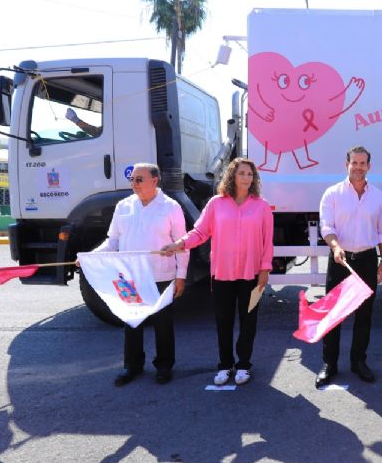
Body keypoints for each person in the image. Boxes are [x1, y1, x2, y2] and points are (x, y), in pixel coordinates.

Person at [160, 158, 273, 386]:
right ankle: (225, 365)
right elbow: (200, 232)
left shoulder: (261, 206)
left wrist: (265, 270)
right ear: (232, 176)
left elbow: (267, 242)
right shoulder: (216, 204)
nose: (246, 178)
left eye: (250, 175)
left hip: (252, 275)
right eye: (242, 173)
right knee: (224, 321)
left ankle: (243, 365)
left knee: (248, 321)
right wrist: (179, 244)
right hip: (222, 274)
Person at [87, 163, 188, 386]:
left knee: (163, 324)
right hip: (130, 278)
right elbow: (112, 241)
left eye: (139, 180)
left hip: (161, 276)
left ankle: (164, 366)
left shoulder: (171, 207)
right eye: (132, 180)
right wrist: (90, 255)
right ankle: (132, 366)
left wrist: (181, 275)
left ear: (155, 180)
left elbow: (182, 244)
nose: (134, 184)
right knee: (132, 322)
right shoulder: (123, 206)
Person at [315, 146, 382, 388]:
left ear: (369, 166)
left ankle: (359, 362)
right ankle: (330, 364)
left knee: (364, 315)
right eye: (354, 163)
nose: (358, 167)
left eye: (363, 163)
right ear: (346, 164)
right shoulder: (332, 194)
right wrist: (336, 247)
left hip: (367, 259)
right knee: (334, 316)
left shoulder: (377, 196)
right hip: (341, 259)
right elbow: (327, 227)